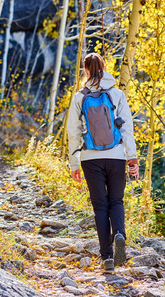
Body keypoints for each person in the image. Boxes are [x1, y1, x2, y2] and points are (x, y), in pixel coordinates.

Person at [67, 53, 139, 274]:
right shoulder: (117, 94)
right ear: (105, 68)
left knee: (100, 206)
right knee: (116, 201)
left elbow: (73, 132)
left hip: (91, 158)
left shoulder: (80, 97)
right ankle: (119, 233)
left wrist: (74, 163)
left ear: (86, 71)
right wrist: (132, 159)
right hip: (116, 156)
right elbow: (127, 128)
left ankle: (107, 258)